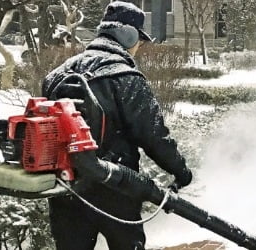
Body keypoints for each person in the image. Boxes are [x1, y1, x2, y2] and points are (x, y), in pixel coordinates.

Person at [41, 2, 193, 250]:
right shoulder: (125, 77)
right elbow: (153, 135)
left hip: (66, 188)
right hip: (116, 189)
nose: (139, 47)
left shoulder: (57, 75)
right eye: (139, 41)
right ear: (128, 34)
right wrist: (181, 171)